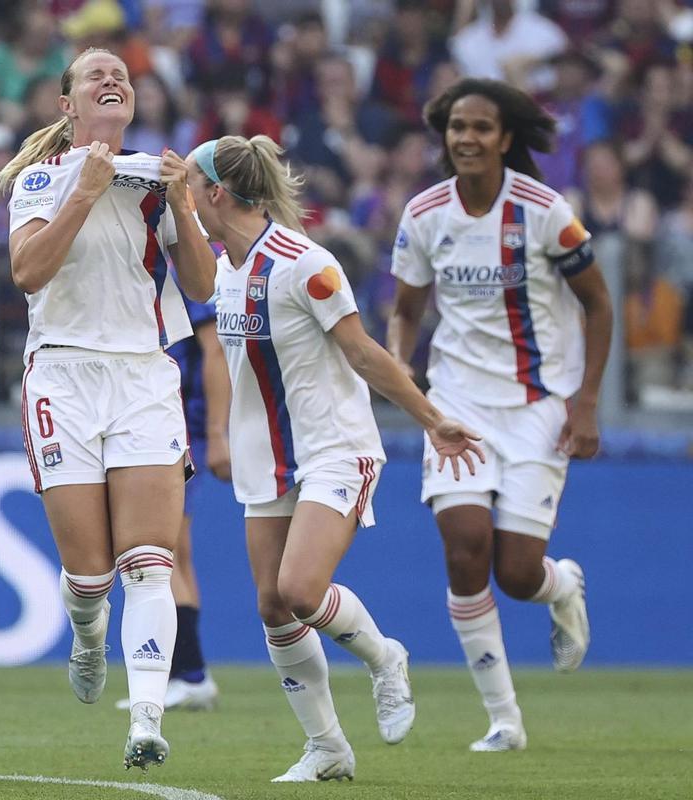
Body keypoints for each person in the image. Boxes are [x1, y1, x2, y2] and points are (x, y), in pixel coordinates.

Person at [186, 134, 485, 782]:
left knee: (299, 589)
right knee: (271, 605)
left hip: (334, 447)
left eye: (188, 184)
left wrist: (432, 419)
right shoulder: (221, 269)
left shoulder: (304, 263)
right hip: (267, 458)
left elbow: (365, 352)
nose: (183, 196)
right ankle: (328, 748)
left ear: (214, 193)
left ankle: (385, 658)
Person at [0, 48, 218, 769]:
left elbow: (202, 282)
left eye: (121, 74)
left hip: (143, 377)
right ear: (67, 106)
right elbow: (28, 272)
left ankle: (148, 718)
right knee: (89, 577)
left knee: (148, 562)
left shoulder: (159, 179)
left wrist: (185, 201)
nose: (112, 80)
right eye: (95, 75)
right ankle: (87, 635)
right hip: (61, 375)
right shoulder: (40, 179)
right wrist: (84, 192)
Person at [387, 78, 612, 752]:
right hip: (456, 405)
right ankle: (504, 721)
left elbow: (599, 304)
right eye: (458, 127)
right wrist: (404, 371)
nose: (467, 138)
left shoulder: (547, 213)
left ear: (506, 138)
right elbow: (405, 310)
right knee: (465, 549)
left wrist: (588, 400)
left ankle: (562, 585)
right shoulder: (425, 214)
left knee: (518, 574)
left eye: (482, 127)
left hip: (537, 407)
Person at [115, 292, 231, 713]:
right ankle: (186, 673)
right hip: (166, 417)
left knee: (160, 549)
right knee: (176, 553)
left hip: (176, 421)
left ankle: (191, 673)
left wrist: (217, 433)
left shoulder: (180, 266)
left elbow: (215, 348)